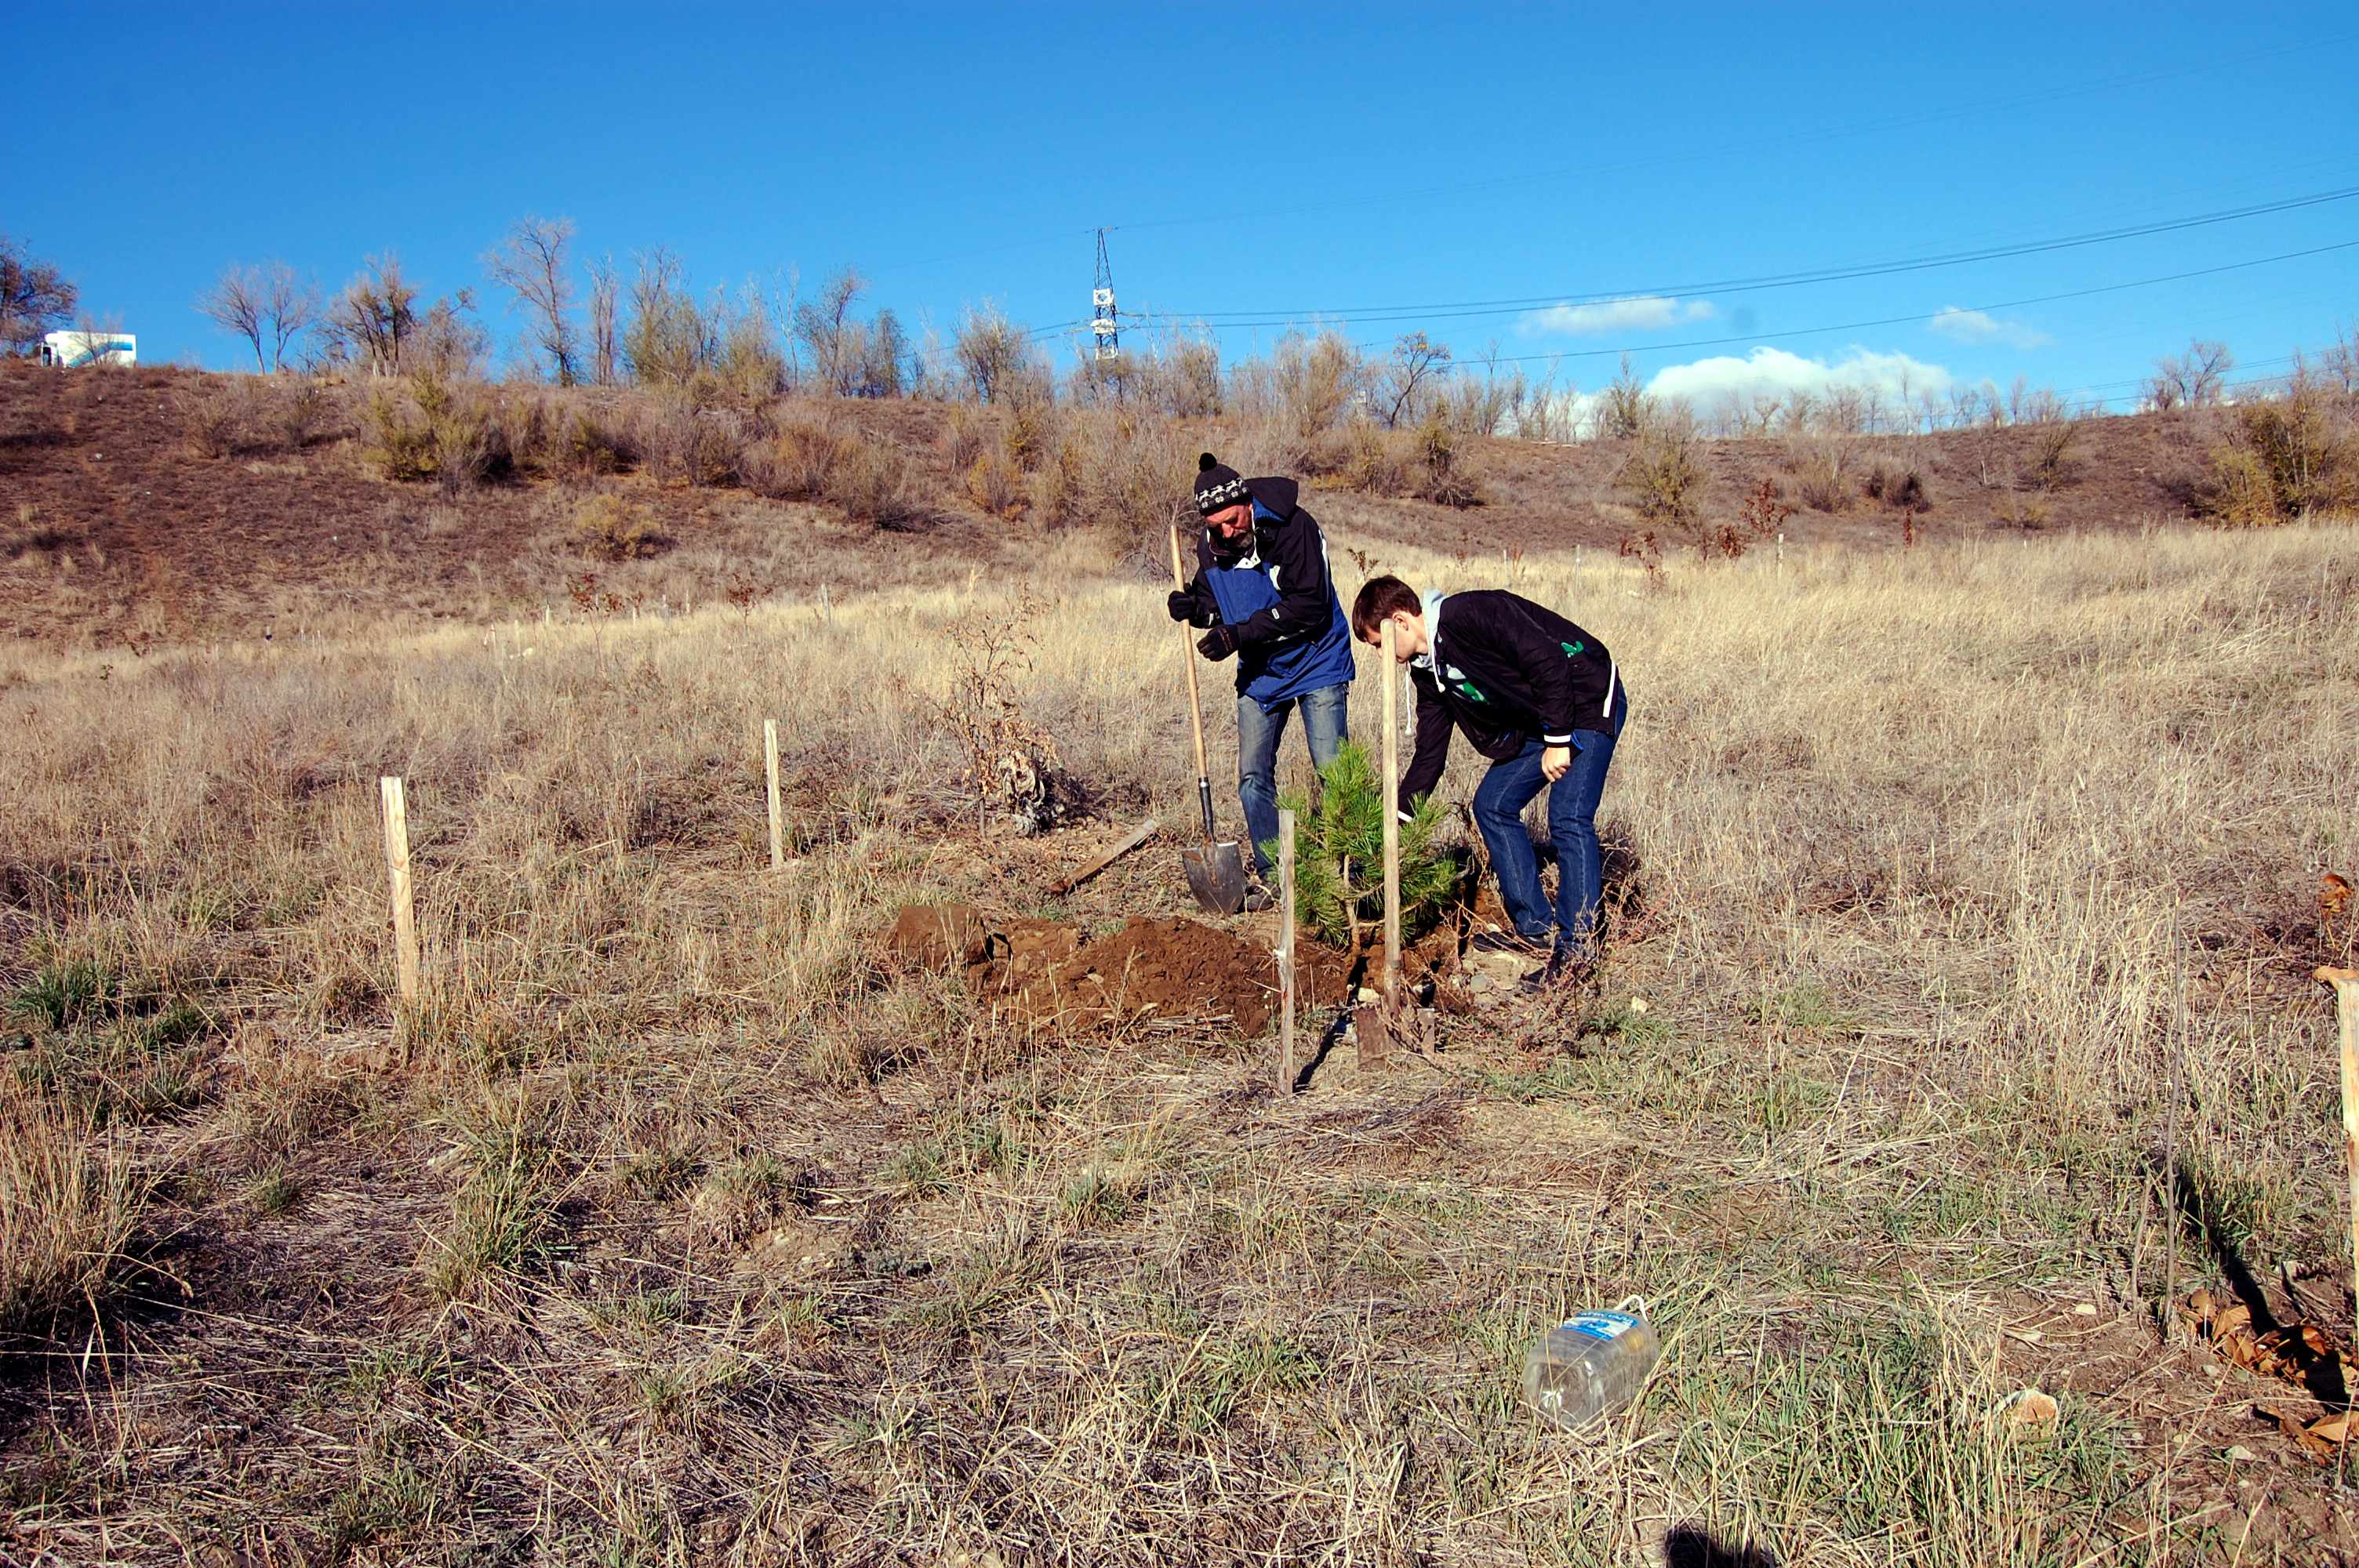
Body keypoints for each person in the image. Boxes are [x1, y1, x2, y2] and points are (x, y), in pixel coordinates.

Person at [1351, 573, 1629, 990]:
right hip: (1544, 717)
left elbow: (1547, 659)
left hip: (1585, 697)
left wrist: (1557, 740)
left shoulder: (1472, 613)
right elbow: (1430, 755)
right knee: (1493, 804)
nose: (1380, 655)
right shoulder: (1429, 675)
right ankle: (1534, 925)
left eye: (1378, 643)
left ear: (1400, 621)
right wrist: (1397, 821)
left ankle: (1579, 953)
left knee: (1569, 817)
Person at [1168, 454, 1355, 900]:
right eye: (1217, 527)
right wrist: (1196, 610)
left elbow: (1309, 607)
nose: (1227, 532)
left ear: (1246, 503)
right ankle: (1277, 878)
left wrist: (1238, 634)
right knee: (1252, 777)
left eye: (1232, 521)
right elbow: (1216, 603)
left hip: (1317, 660)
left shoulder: (1296, 529)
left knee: (1333, 771)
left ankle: (1347, 874)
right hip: (1261, 672)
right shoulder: (1210, 547)